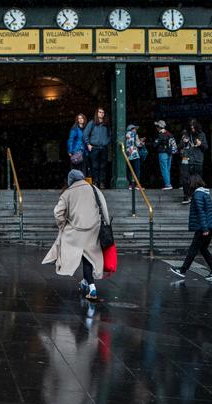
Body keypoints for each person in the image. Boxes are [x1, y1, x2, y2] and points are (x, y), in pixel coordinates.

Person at [43, 169, 110, 302]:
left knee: (81, 256)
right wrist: (106, 224)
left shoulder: (67, 193)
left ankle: (92, 287)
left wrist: (63, 225)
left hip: (75, 232)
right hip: (93, 230)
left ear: (70, 180)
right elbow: (104, 208)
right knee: (88, 257)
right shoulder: (94, 189)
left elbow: (58, 212)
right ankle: (88, 283)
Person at [169, 174, 212, 280]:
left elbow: (201, 212)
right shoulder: (204, 193)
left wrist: (205, 228)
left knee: (193, 249)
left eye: (188, 182)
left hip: (203, 227)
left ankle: (182, 270)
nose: (187, 184)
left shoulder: (198, 195)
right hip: (210, 225)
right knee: (203, 249)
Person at [179, 119, 207, 204]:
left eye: (194, 127)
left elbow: (205, 147)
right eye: (191, 127)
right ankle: (186, 196)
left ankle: (196, 196)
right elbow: (179, 146)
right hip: (186, 159)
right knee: (185, 178)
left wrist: (200, 144)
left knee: (197, 179)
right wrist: (184, 142)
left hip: (197, 160)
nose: (192, 129)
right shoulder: (186, 134)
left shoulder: (202, 135)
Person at [84, 108, 111, 186]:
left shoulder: (106, 124)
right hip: (94, 148)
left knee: (103, 166)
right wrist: (88, 144)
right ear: (97, 113)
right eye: (100, 112)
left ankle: (102, 182)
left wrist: (106, 142)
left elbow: (110, 135)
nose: (101, 113)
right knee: (94, 166)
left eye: (103, 112)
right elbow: (85, 134)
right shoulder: (92, 123)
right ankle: (95, 182)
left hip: (103, 148)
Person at [153, 120, 176, 190]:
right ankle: (168, 184)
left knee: (164, 169)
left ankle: (168, 185)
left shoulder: (160, 134)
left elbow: (155, 144)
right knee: (167, 169)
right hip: (170, 153)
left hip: (163, 153)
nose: (156, 128)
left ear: (159, 127)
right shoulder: (169, 134)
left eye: (157, 126)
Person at [124, 124, 143, 189]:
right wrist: (140, 143)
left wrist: (141, 142)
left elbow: (138, 144)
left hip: (128, 154)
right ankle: (137, 185)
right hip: (134, 154)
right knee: (137, 170)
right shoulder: (133, 134)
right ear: (131, 129)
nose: (135, 130)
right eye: (134, 128)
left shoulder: (125, 134)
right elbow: (137, 144)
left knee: (129, 170)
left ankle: (130, 185)